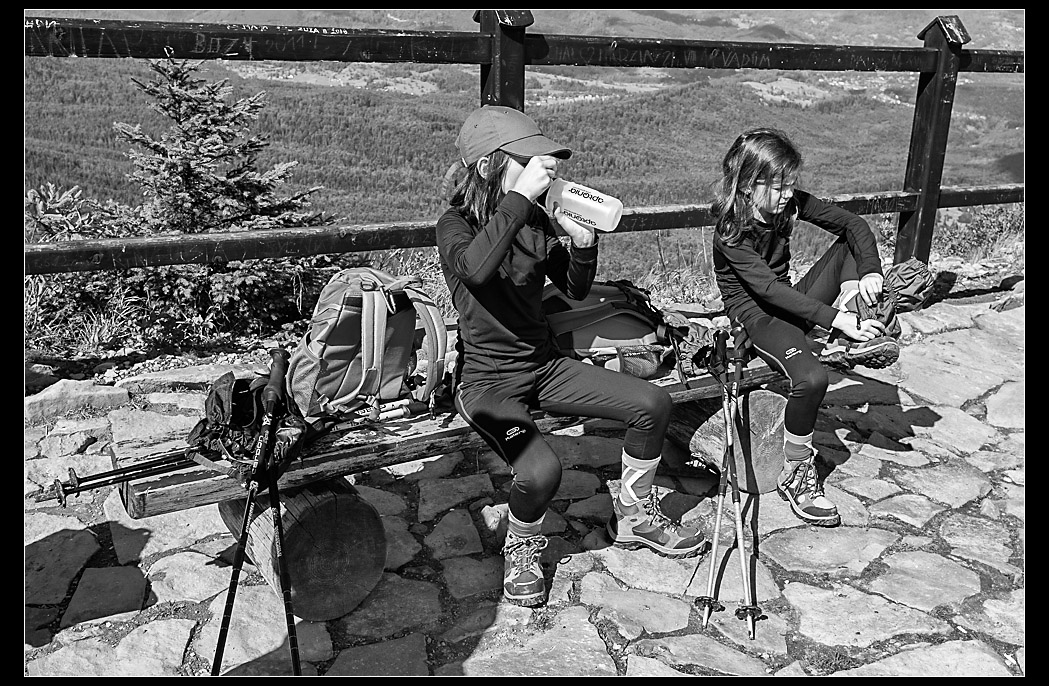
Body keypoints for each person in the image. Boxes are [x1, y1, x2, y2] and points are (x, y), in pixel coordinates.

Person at [436, 105, 707, 607]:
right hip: (488, 384)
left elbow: (574, 288)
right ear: (488, 166)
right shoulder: (455, 225)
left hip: (544, 367)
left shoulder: (533, 220)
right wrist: (520, 198)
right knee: (542, 472)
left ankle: (633, 515)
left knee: (653, 404)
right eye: (527, 161)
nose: (544, 168)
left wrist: (583, 245)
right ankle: (521, 547)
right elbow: (475, 270)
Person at [710, 127, 900, 528]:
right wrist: (832, 318)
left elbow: (854, 224)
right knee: (812, 379)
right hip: (758, 319)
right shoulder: (731, 232)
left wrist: (869, 271)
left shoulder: (788, 205)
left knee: (849, 245)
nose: (787, 194)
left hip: (791, 304)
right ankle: (795, 471)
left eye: (789, 185)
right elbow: (768, 290)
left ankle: (856, 320)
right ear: (747, 185)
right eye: (778, 187)